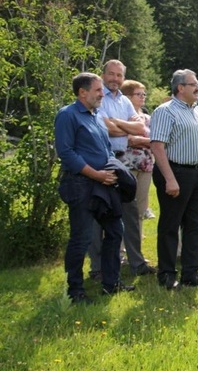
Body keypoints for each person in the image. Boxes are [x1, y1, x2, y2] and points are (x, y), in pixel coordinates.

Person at [55, 72, 135, 303]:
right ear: (83, 92)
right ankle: (75, 290)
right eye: (98, 90)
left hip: (104, 185)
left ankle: (111, 283)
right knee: (81, 238)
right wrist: (97, 175)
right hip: (80, 186)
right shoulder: (67, 115)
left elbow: (106, 149)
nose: (103, 94)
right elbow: (67, 153)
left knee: (114, 231)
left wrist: (114, 171)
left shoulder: (97, 115)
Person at [150, 69, 198, 290]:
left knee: (195, 224)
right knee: (171, 224)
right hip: (176, 173)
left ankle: (191, 273)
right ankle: (167, 274)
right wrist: (169, 179)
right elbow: (157, 146)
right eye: (194, 84)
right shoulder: (165, 111)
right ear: (180, 87)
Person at [91, 60, 156, 278]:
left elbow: (140, 127)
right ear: (103, 74)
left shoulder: (124, 101)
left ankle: (136, 263)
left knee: (131, 212)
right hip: (104, 161)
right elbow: (103, 127)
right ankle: (98, 268)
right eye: (111, 74)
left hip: (125, 164)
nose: (115, 79)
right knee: (101, 214)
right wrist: (118, 126)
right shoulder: (97, 95)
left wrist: (116, 123)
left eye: (119, 75)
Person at [120, 79, 156, 247]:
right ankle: (120, 249)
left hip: (146, 166)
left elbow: (156, 141)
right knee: (125, 208)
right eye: (138, 94)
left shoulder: (147, 117)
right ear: (127, 96)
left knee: (141, 208)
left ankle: (136, 249)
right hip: (127, 166)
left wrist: (141, 141)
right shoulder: (123, 116)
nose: (142, 97)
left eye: (144, 94)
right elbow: (129, 140)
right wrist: (147, 141)